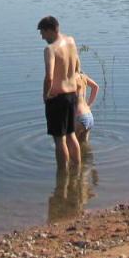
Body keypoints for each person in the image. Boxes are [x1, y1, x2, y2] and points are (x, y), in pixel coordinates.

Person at [37, 15, 82, 168]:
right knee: (71, 135)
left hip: (58, 99)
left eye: (42, 32)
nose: (42, 37)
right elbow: (77, 66)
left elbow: (49, 77)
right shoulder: (71, 41)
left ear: (50, 30)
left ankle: (62, 175)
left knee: (59, 139)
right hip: (72, 95)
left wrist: (46, 95)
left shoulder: (50, 49)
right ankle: (78, 170)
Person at [74, 71, 99, 142]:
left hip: (79, 118)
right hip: (89, 116)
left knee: (69, 145)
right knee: (83, 145)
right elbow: (95, 87)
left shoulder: (71, 79)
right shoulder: (83, 76)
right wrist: (89, 105)